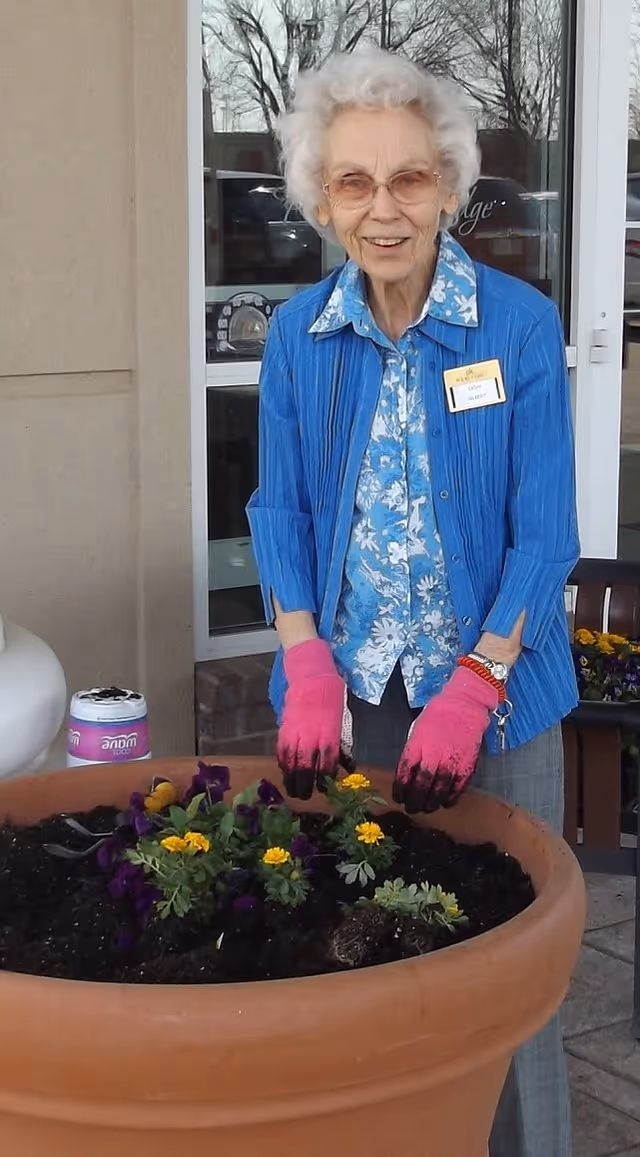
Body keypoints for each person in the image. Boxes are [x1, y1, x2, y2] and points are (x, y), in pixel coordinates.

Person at [247, 47, 579, 1157]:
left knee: (512, 976)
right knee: (379, 949)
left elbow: (545, 535)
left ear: (447, 185)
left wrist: (476, 682)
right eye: (353, 182)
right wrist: (302, 658)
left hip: (501, 698)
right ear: (319, 198)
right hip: (366, 693)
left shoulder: (516, 328)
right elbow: (279, 511)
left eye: (408, 180)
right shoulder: (300, 338)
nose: (382, 211)